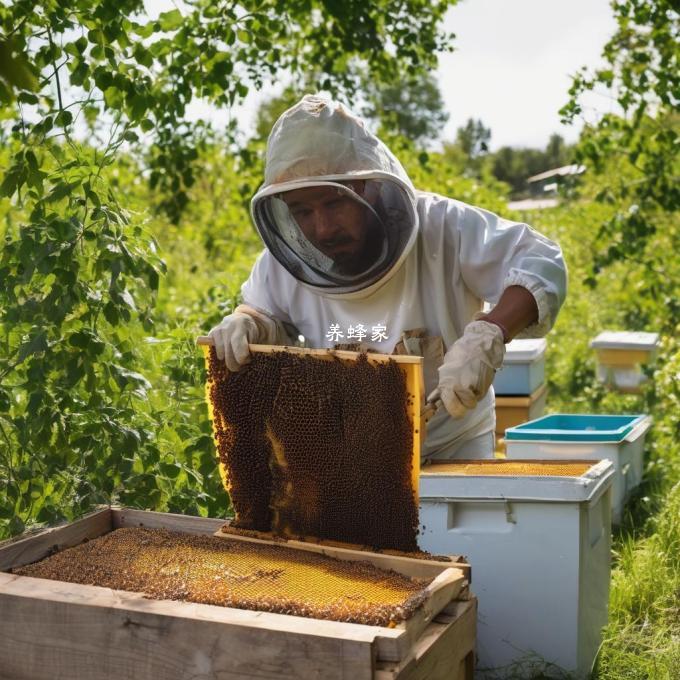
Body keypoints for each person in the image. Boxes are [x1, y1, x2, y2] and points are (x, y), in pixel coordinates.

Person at [208, 94, 567, 460]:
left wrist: (490, 332)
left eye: (334, 203)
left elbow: (540, 261)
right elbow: (262, 311)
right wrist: (245, 323)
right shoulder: (283, 262)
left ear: (364, 185)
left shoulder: (444, 228)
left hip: (454, 449)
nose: (323, 227)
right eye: (302, 211)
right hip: (346, 459)